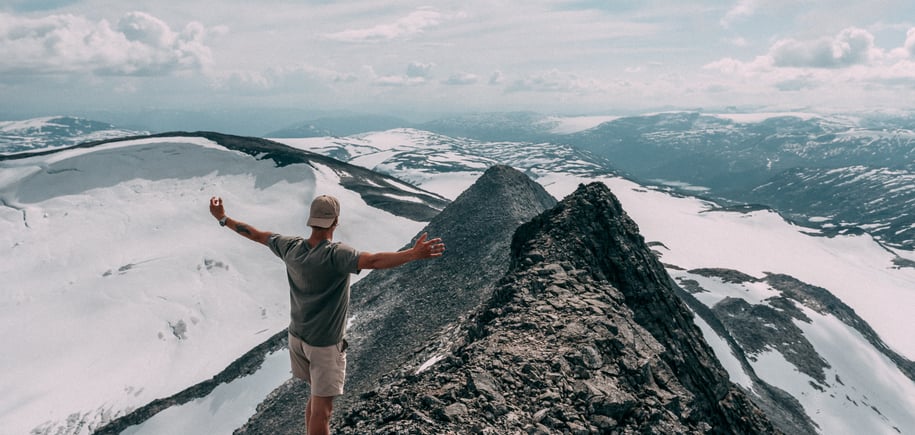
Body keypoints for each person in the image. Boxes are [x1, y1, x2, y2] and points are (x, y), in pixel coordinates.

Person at [208, 194, 445, 435]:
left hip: (297, 339)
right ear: (335, 221)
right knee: (323, 412)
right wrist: (413, 254)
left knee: (316, 398)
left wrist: (223, 218)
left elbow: (256, 234)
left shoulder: (290, 246)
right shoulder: (336, 254)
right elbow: (373, 261)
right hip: (324, 345)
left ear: (311, 220)